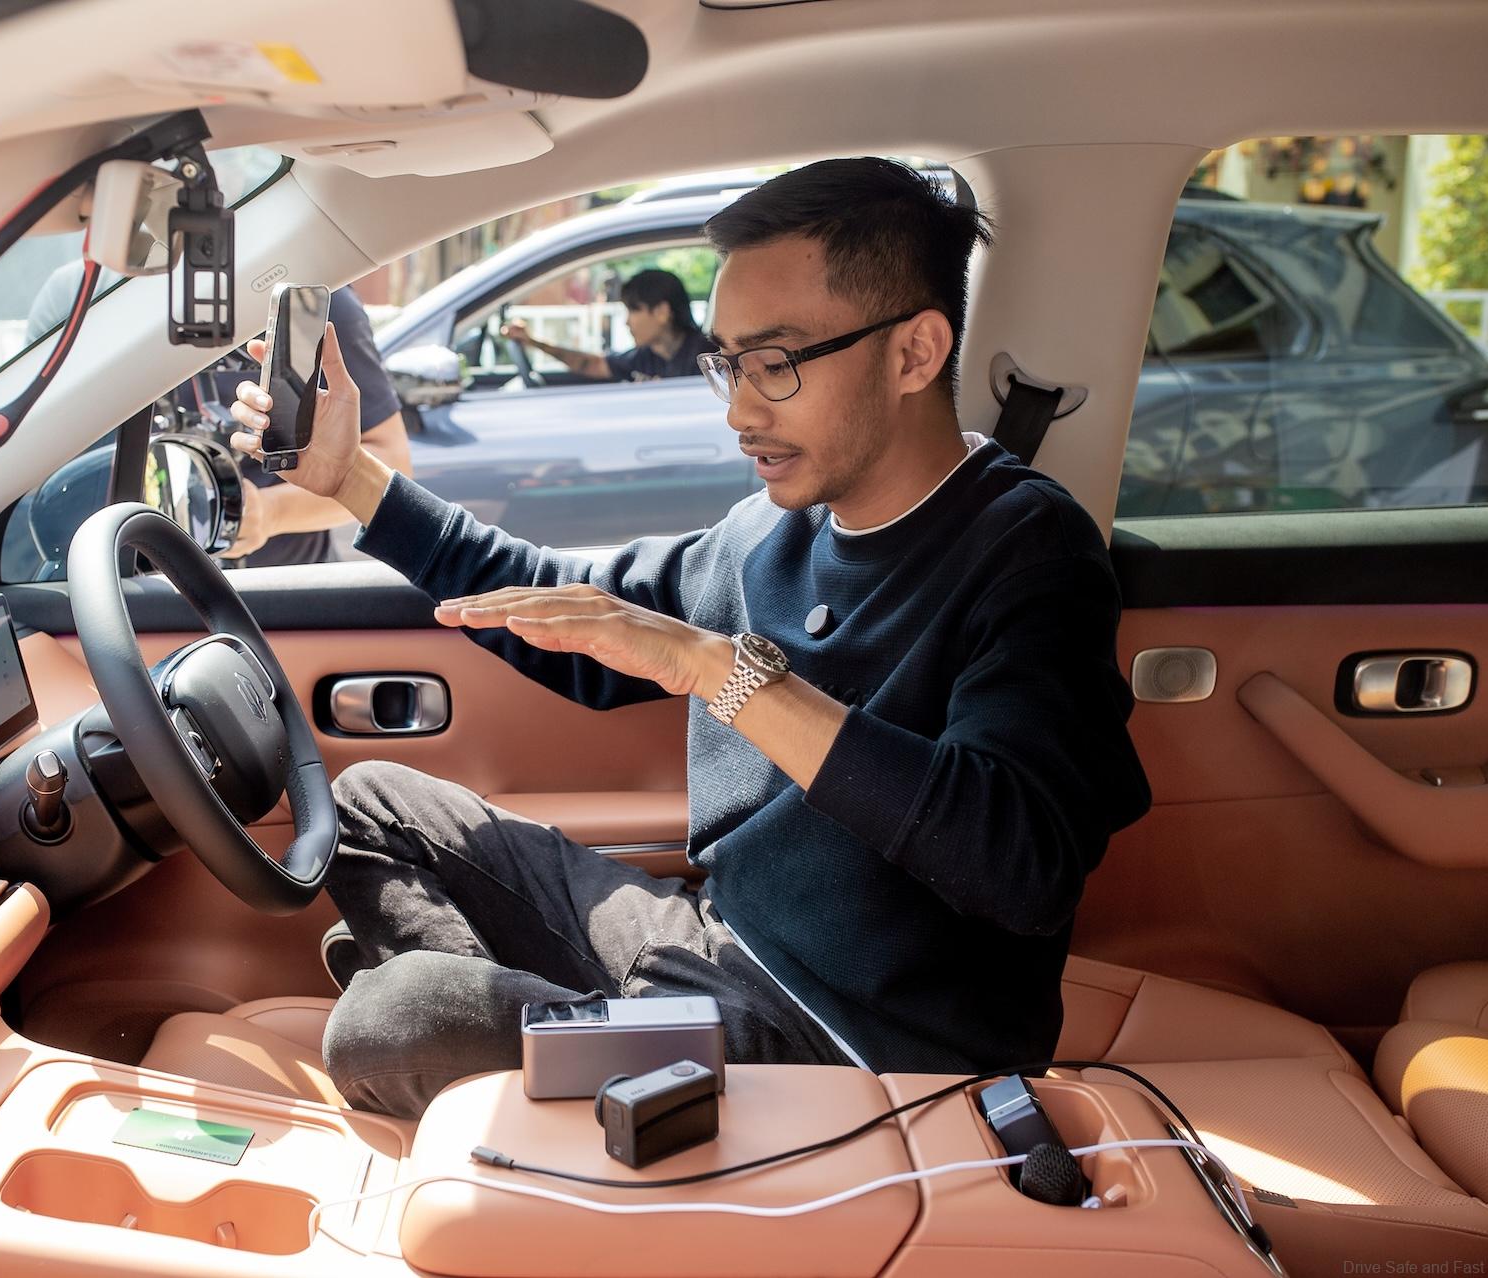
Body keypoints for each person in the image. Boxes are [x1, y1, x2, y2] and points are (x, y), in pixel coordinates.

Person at [227, 158, 1152, 1120]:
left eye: (776, 364)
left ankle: (575, 1066)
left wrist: (723, 672)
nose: (740, 412)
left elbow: (1020, 865)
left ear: (915, 353)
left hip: (853, 1049)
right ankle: (594, 1065)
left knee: (395, 1020)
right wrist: (354, 480)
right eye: (729, 365)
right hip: (704, 949)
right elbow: (564, 609)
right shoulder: (772, 532)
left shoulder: (1028, 550)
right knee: (369, 804)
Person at [25, 265, 410, 566]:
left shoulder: (306, 296)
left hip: (280, 594)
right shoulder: (72, 300)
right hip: (131, 592)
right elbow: (33, 462)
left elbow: (392, 464)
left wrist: (271, 513)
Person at [502, 268, 717, 382]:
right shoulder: (644, 357)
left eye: (633, 310)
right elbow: (592, 364)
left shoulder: (710, 360)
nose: (626, 321)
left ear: (661, 312)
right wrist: (534, 342)